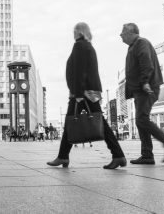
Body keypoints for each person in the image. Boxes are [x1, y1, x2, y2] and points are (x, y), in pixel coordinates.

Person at [47, 22, 126, 169]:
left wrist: (78, 93)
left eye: (74, 31)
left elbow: (80, 70)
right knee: (94, 123)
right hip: (88, 91)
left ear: (79, 32)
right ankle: (118, 155)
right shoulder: (88, 46)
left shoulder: (80, 45)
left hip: (82, 92)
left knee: (73, 123)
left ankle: (63, 156)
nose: (73, 33)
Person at [120, 23, 164, 164]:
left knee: (141, 120)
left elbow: (147, 64)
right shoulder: (133, 46)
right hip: (140, 89)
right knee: (141, 121)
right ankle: (147, 155)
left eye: (123, 32)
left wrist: (145, 81)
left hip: (146, 88)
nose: (121, 35)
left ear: (131, 32)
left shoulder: (141, 43)